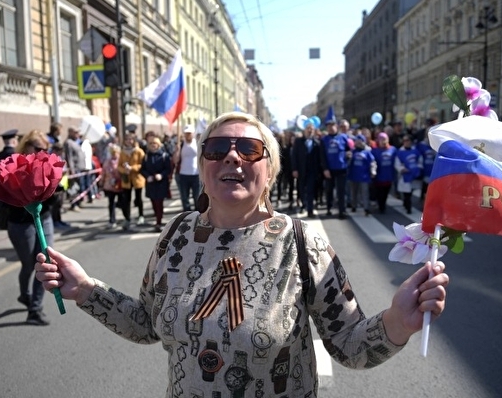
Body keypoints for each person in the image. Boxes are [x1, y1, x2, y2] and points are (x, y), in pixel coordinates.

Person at [35, 111, 449, 397]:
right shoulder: (177, 234)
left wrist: (397, 321)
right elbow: (146, 324)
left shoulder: (301, 242)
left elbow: (350, 346)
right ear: (203, 167)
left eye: (249, 149)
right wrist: (87, 290)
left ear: (270, 170)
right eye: (217, 149)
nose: (232, 155)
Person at [4, 130, 53, 325]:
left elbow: (55, 193)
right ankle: (25, 294)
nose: (42, 152)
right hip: (20, 223)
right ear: (27, 147)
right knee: (28, 265)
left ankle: (35, 308)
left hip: (44, 218)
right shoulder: (14, 164)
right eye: (38, 148)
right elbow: (6, 196)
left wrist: (56, 187)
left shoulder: (47, 164)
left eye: (45, 149)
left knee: (45, 261)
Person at [292, 123, 326, 217]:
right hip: (301, 170)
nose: (310, 130)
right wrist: (294, 169)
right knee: (302, 189)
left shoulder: (317, 142)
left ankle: (310, 209)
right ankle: (304, 204)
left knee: (310, 189)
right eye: (308, 128)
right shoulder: (298, 141)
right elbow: (294, 156)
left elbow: (321, 157)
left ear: (314, 130)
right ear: (304, 130)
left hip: (312, 171)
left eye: (311, 129)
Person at [321, 117, 352, 219]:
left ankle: (341, 211)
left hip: (341, 168)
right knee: (329, 190)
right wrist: (325, 169)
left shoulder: (343, 137)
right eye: (328, 126)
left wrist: (348, 156)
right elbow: (322, 156)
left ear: (336, 126)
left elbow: (349, 150)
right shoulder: (324, 139)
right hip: (329, 170)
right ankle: (329, 208)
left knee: (341, 191)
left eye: (332, 126)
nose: (330, 128)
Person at [141, 135, 172, 232]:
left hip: (161, 183)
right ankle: (157, 216)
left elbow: (168, 169)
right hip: (150, 183)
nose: (153, 145)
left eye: (155, 143)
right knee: (153, 202)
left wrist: (161, 175)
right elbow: (142, 169)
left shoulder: (164, 156)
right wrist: (147, 176)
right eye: (151, 143)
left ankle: (159, 221)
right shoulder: (146, 156)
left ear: (158, 145)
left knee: (159, 202)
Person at [118, 132, 146, 230]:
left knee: (138, 198)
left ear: (133, 141)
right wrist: (124, 169)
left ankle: (141, 215)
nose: (129, 141)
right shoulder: (122, 152)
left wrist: (132, 168)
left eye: (131, 140)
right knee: (126, 199)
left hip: (137, 178)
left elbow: (142, 164)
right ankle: (127, 218)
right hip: (126, 179)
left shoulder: (139, 151)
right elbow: (119, 165)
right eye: (127, 140)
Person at [172, 125, 200, 212]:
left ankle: (198, 214)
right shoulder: (181, 144)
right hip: (183, 174)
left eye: (189, 133)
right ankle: (187, 214)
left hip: (196, 174)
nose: (188, 135)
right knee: (184, 197)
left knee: (197, 196)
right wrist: (177, 151)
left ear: (193, 134)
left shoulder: (198, 143)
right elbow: (175, 161)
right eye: (186, 133)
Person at [347, 134, 376, 215]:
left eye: (361, 141)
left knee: (365, 193)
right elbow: (348, 163)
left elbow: (372, 162)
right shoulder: (352, 152)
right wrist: (348, 158)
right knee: (354, 192)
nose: (359, 143)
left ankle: (366, 208)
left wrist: (373, 171)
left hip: (364, 176)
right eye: (357, 141)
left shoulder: (367, 152)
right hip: (353, 176)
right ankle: (354, 206)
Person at [395, 135, 422, 214]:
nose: (406, 142)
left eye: (408, 140)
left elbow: (420, 161)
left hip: (414, 175)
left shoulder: (415, 151)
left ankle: (407, 204)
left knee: (410, 191)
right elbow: (397, 163)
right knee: (406, 192)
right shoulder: (400, 152)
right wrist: (402, 169)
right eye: (405, 141)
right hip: (405, 175)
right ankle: (408, 207)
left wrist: (418, 168)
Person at [371, 132, 397, 213]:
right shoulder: (374, 151)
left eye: (385, 139)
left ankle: (383, 204)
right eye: (381, 139)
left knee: (385, 193)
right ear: (378, 140)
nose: (383, 141)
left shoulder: (393, 149)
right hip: (379, 176)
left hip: (389, 176)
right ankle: (381, 206)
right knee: (379, 193)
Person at [100, 144, 123, 229]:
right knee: (111, 203)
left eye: (115, 152)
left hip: (120, 185)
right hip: (110, 185)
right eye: (112, 153)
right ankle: (112, 220)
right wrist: (101, 183)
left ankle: (125, 217)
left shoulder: (121, 161)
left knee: (122, 202)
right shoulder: (107, 162)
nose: (114, 154)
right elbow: (103, 173)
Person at [64, 126, 86, 212]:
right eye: (76, 132)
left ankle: (78, 202)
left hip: (80, 168)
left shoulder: (75, 142)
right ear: (70, 133)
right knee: (73, 188)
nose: (78, 134)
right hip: (75, 169)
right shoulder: (68, 143)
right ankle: (74, 204)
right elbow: (69, 158)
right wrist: (72, 170)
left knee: (79, 187)